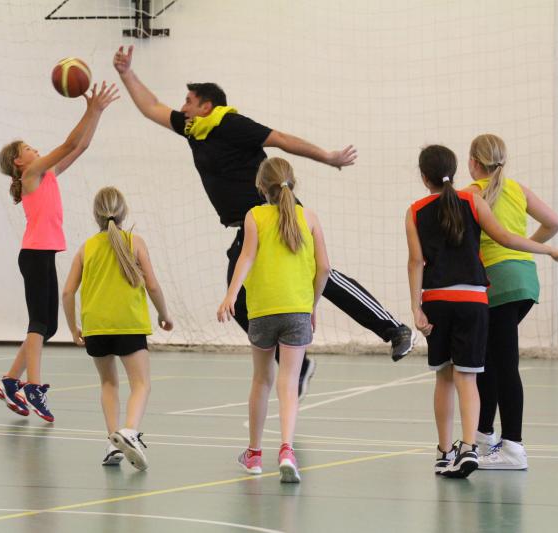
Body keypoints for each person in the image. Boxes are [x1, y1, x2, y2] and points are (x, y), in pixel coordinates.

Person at [113, 45, 416, 400]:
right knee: (239, 303)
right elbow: (151, 107)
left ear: (207, 105)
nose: (182, 107)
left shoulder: (231, 124)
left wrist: (328, 157)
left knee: (323, 275)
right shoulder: (194, 129)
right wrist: (126, 73)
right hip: (250, 225)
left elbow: (282, 140)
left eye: (189, 101)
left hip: (278, 212)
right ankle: (297, 364)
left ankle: (394, 329)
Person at [406, 145, 558, 478]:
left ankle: (450, 451)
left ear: (423, 176)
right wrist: (547, 250)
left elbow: (416, 261)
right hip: (476, 298)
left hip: (442, 298)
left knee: (449, 376)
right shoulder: (474, 200)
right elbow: (505, 236)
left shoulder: (416, 210)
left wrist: (416, 307)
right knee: (472, 374)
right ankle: (473, 445)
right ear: (456, 170)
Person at [0, 82, 120, 422]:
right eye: (29, 148)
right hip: (34, 255)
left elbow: (81, 145)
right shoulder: (31, 175)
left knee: (47, 328)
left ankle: (10, 381)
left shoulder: (47, 174)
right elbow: (67, 144)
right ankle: (33, 386)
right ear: (19, 162)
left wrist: (97, 113)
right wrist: (89, 109)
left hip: (43, 254)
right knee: (38, 323)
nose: (36, 150)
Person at [218, 157, 330, 483]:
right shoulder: (309, 217)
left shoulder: (254, 216)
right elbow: (324, 268)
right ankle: (286, 451)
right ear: (292, 183)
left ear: (260, 187)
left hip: (263, 310)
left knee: (261, 380)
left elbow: (246, 257)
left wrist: (230, 294)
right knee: (289, 382)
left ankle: (254, 454)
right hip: (297, 310)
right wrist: (311, 305)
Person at [463, 134, 558, 470]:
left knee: (503, 363)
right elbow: (554, 222)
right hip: (525, 279)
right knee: (490, 358)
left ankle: (513, 447)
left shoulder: (471, 193)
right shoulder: (518, 189)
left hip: (498, 281)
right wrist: (524, 245)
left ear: (473, 162)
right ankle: (485, 436)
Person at [62, 186, 173, 470]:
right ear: (124, 212)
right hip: (128, 324)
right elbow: (152, 285)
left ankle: (113, 443)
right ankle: (129, 432)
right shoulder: (134, 242)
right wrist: (164, 314)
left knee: (108, 383)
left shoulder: (86, 247)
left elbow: (67, 292)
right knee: (141, 384)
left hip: (95, 327)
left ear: (95, 215)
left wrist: (74, 327)